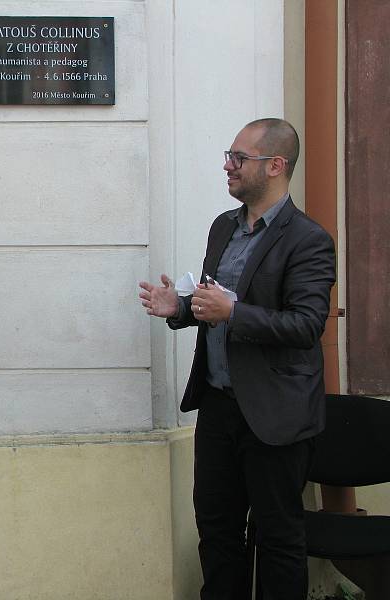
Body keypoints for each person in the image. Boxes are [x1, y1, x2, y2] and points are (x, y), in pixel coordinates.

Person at [139, 118, 335, 599]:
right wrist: (182, 309)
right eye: (229, 155)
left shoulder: (308, 239)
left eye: (238, 158)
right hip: (220, 406)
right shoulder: (223, 227)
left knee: (278, 538)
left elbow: (306, 326)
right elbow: (219, 304)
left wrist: (233, 312)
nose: (228, 165)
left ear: (275, 165)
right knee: (218, 530)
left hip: (276, 413)